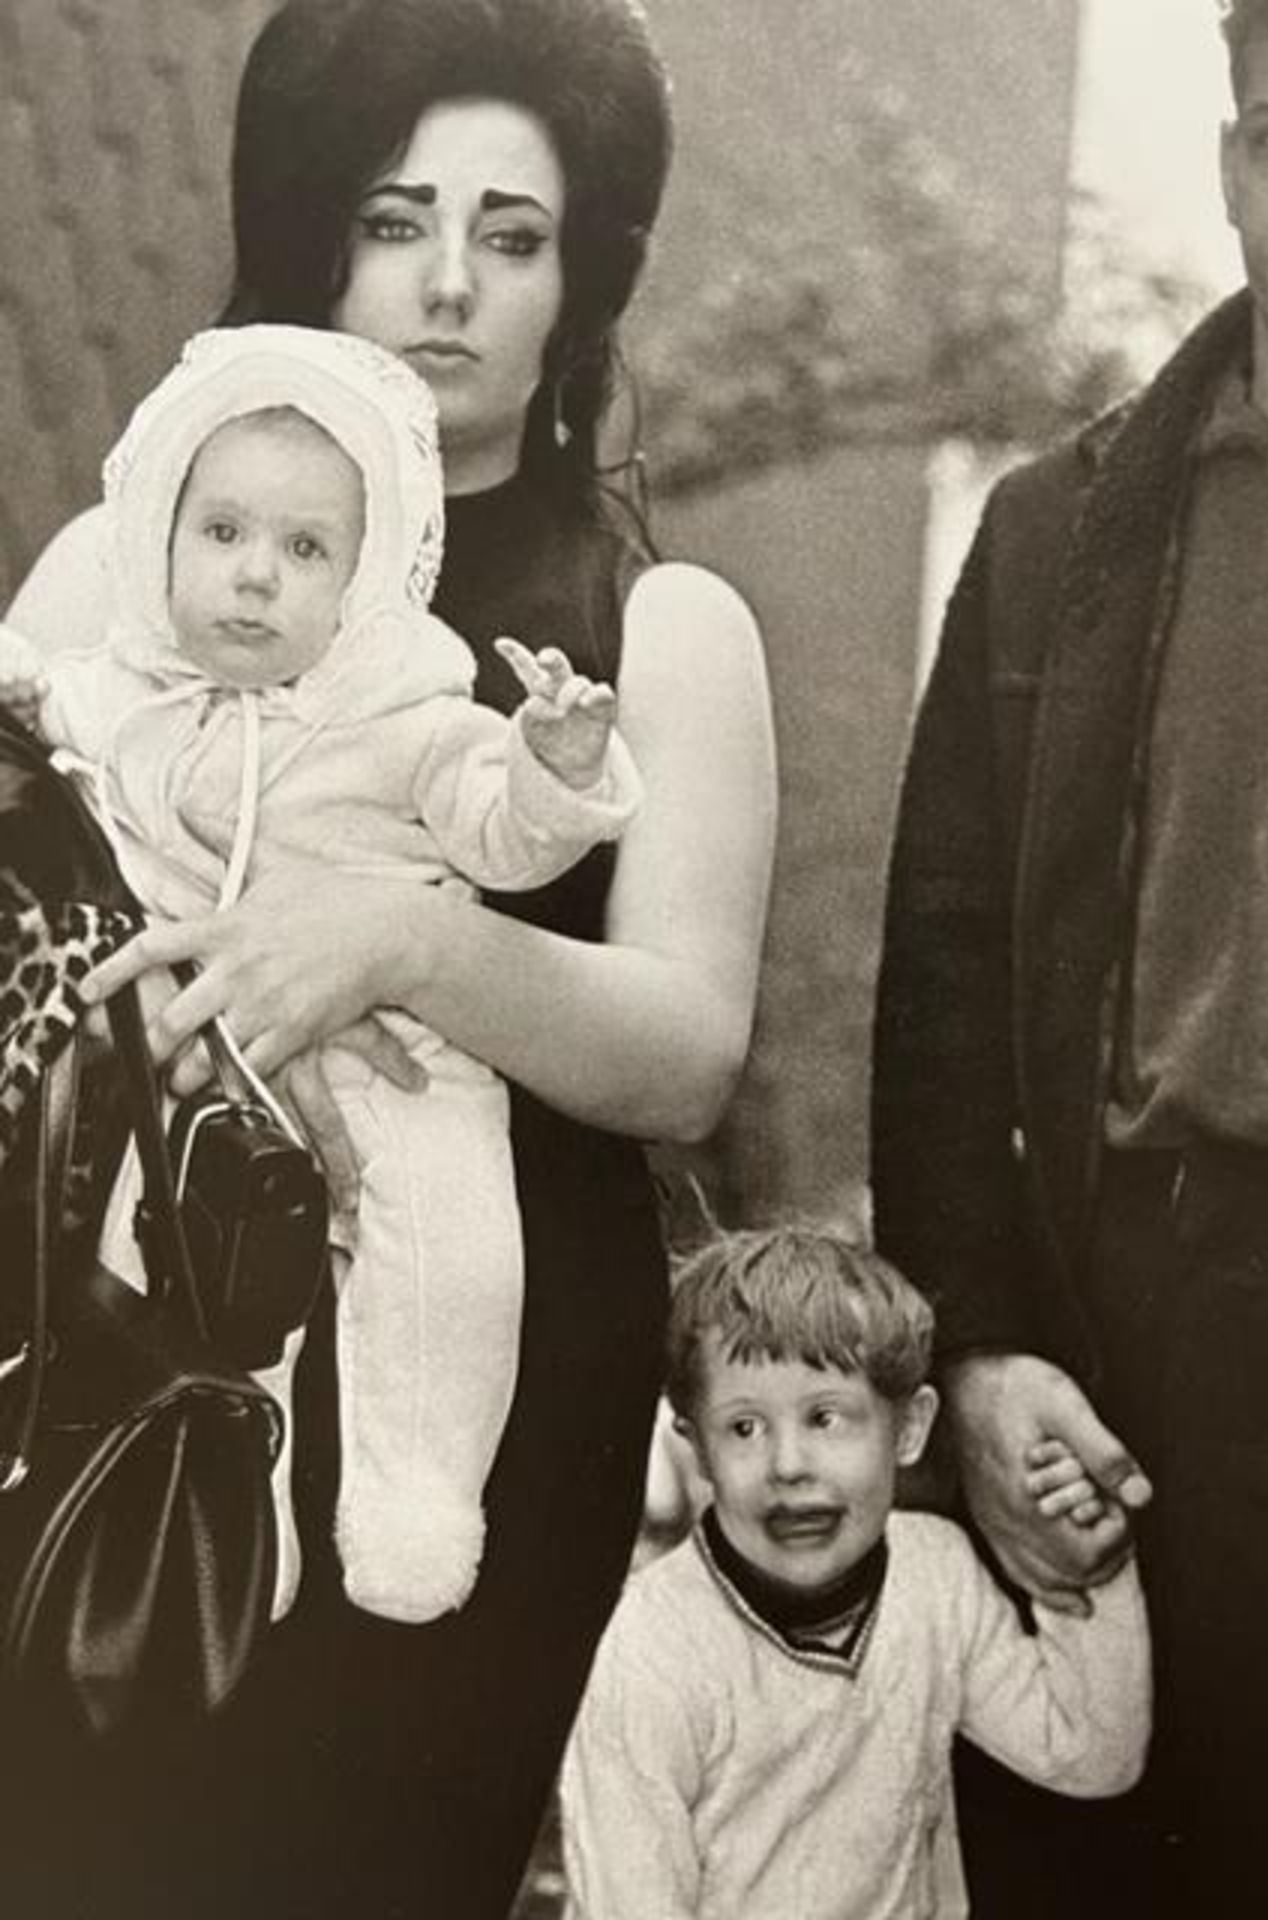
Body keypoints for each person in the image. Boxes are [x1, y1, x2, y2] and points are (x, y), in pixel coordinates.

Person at [5, 2, 776, 1915]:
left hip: (485, 1403)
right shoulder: (133, 566)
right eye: (394, 217)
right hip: (126, 1354)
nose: (447, 283)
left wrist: (401, 939)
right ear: (308, 234)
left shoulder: (660, 625)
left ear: (578, 279)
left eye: (511, 235)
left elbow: (685, 1053)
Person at [872, 1, 1268, 1913]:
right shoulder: (1066, 530)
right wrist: (979, 1344)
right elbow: (942, 975)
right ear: (1225, 159)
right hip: (1117, 1339)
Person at [0, 321, 643, 1630]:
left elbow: (500, 833)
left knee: (453, 1247)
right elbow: (35, 708)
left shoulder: (405, 716)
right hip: (176, 1056)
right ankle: (225, 1505)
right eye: (223, 534)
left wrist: (555, 768)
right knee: (177, 1278)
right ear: (161, 540)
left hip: (387, 1044)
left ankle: (419, 1492)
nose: (254, 579)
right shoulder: (127, 692)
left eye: (305, 551)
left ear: (363, 583)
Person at [559, 1226, 1150, 1920]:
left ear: (909, 1429)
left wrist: (1092, 1566)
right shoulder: (655, 1648)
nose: (788, 1465)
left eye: (826, 1418)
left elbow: (1089, 1756)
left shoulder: (933, 1574)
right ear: (695, 1446)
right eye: (744, 1427)